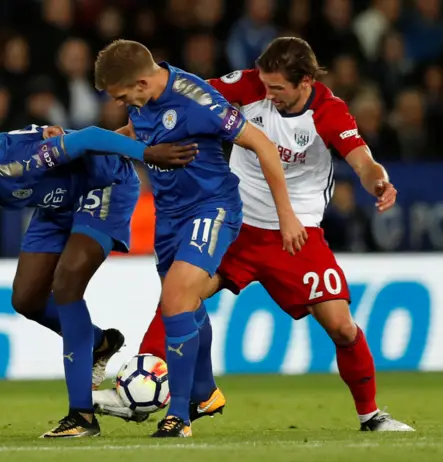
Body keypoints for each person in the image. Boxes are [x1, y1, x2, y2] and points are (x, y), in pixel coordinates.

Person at [94, 37, 414, 432]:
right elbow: (182, 96)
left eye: (278, 88)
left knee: (342, 328)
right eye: (266, 85)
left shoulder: (329, 111)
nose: (269, 94)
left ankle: (371, 415)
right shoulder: (246, 86)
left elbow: (363, 161)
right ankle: (138, 387)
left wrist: (378, 182)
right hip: (237, 225)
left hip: (295, 235)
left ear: (306, 82)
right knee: (178, 294)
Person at [0, 123, 197, 438]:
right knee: (26, 298)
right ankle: (100, 342)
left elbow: (89, 137)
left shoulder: (22, 161)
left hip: (102, 186)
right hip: (56, 205)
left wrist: (147, 154)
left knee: (66, 286)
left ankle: (82, 415)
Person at [93, 39, 305, 438]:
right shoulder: (144, 102)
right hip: (169, 217)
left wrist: (286, 215)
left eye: (123, 96)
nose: (123, 103)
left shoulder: (198, 101)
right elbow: (129, 132)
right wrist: (80, 143)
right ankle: (205, 393)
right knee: (185, 305)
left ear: (140, 82)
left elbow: (262, 145)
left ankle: (179, 417)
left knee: (175, 302)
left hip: (211, 209)